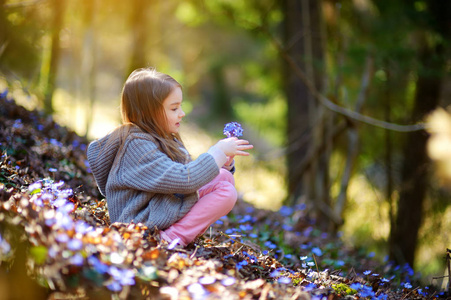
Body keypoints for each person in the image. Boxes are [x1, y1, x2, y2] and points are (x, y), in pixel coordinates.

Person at [87, 67, 253, 247]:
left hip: (158, 207)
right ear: (148, 113)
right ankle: (172, 238)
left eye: (180, 106)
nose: (181, 113)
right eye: (174, 108)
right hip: (138, 223)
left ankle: (178, 233)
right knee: (226, 192)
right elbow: (185, 180)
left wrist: (224, 162)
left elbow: (189, 175)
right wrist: (217, 153)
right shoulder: (136, 145)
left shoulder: (164, 137)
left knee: (225, 177)